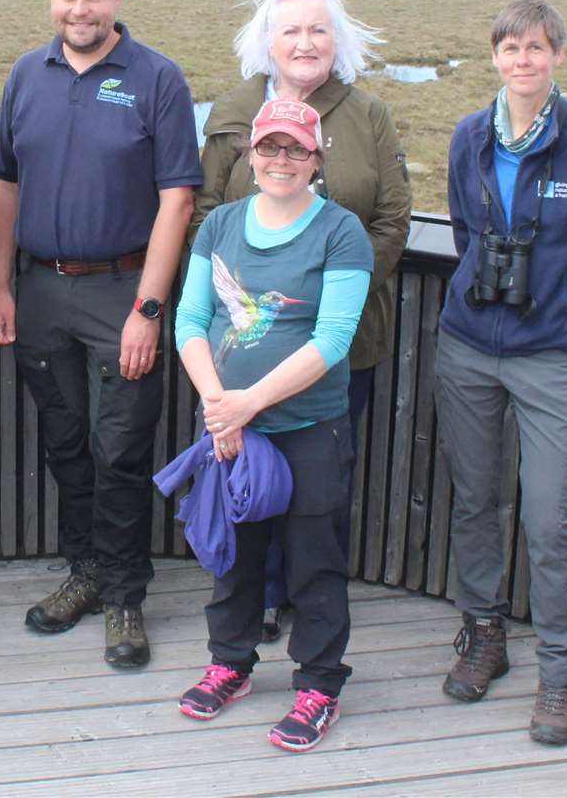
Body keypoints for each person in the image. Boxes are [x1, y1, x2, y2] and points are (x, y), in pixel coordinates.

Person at [0, 0, 201, 668]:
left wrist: (147, 309)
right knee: (67, 446)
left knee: (120, 452)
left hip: (121, 292)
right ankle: (82, 575)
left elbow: (178, 199)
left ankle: (124, 598)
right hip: (42, 290)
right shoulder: (25, 75)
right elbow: (3, 188)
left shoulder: (156, 79)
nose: (79, 9)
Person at [436, 0, 567, 746]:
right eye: (510, 47)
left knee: (549, 518)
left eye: (536, 47)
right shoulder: (467, 138)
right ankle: (483, 635)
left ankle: (558, 674)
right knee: (474, 501)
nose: (522, 60)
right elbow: (463, 227)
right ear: (493, 56)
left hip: (549, 358)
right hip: (467, 347)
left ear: (557, 55)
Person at [193, 0, 411, 642]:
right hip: (238, 353)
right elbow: (206, 211)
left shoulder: (367, 115)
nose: (305, 42)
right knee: (248, 477)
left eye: (318, 29)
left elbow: (392, 217)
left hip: (337, 343)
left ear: (336, 40)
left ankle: (302, 601)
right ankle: (252, 599)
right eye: (290, 30)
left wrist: (326, 295)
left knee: (318, 485)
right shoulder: (231, 109)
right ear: (267, 41)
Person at [173, 99, 373, 752]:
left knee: (313, 557)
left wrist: (244, 403)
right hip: (231, 426)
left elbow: (334, 337)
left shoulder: (340, 232)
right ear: (248, 154)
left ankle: (318, 684)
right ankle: (229, 664)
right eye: (269, 147)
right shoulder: (221, 225)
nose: (280, 161)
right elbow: (190, 320)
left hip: (307, 425)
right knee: (237, 554)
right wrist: (217, 406)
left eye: (295, 149)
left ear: (316, 159)